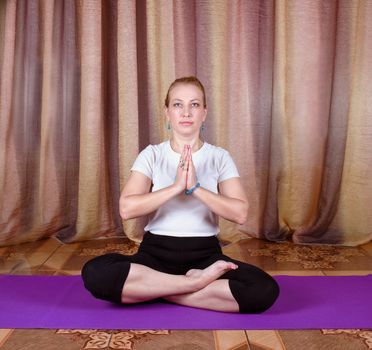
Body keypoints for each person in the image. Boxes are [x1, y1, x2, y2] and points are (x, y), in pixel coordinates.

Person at [82, 76, 279, 313]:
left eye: (194, 105)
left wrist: (195, 188)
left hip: (205, 256)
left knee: (264, 289)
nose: (186, 112)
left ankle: (154, 291)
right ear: (167, 113)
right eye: (178, 104)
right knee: (95, 272)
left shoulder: (219, 156)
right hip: (154, 256)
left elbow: (240, 214)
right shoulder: (152, 154)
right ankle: (191, 284)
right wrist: (175, 187)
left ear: (204, 113)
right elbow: (127, 209)